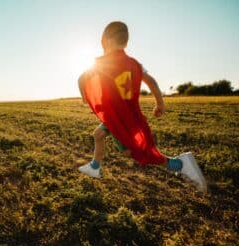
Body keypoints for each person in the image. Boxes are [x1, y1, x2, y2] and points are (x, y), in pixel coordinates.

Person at [77, 21, 206, 192]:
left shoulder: (102, 63)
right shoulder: (135, 64)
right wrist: (160, 103)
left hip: (118, 117)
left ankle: (180, 164)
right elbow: (151, 81)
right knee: (99, 134)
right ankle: (95, 167)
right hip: (127, 115)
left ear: (106, 41)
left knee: (134, 153)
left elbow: (81, 79)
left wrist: (85, 96)